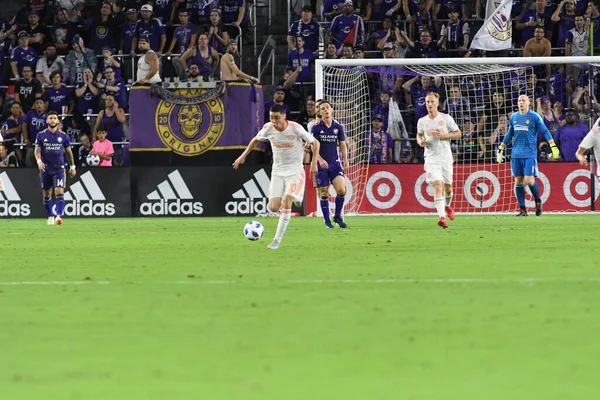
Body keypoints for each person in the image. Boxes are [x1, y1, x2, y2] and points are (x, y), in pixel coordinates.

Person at [232, 104, 322, 250]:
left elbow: (315, 143)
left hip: (294, 172)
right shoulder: (268, 128)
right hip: (278, 171)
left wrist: (313, 163)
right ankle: (292, 200)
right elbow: (255, 140)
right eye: (271, 118)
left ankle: (277, 240)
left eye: (277, 118)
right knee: (273, 208)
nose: (274, 121)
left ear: (284, 116)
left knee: (286, 202)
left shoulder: (295, 128)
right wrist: (242, 156)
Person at [496, 95, 561, 217]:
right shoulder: (514, 117)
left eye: (523, 100)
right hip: (516, 154)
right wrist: (501, 148)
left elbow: (545, 131)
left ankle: (537, 201)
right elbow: (510, 134)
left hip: (529, 153)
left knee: (529, 180)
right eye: (519, 100)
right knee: (518, 181)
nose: (521, 102)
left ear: (529, 103)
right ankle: (522, 209)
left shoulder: (534, 116)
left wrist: (552, 146)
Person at [416, 92, 462, 229]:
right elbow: (419, 135)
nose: (429, 104)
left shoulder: (446, 118)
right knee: (437, 185)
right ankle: (442, 217)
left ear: (437, 103)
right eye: (427, 102)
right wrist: (420, 142)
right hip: (431, 158)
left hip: (445, 157)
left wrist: (444, 135)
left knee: (448, 188)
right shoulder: (422, 121)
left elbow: (458, 134)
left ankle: (447, 206)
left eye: (431, 102)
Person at [311, 100, 349, 228]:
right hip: (321, 164)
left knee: (342, 190)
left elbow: (343, 145)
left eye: (327, 108)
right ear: (320, 112)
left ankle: (337, 216)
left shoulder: (338, 128)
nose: (326, 110)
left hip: (335, 163)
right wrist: (320, 160)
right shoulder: (316, 128)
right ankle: (327, 221)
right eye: (323, 109)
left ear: (331, 110)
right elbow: (313, 146)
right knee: (323, 191)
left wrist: (346, 160)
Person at [34, 111, 76, 225]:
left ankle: (59, 216)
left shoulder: (63, 136)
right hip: (45, 168)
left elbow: (69, 152)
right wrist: (39, 161)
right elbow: (37, 150)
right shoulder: (41, 135)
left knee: (59, 190)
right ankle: (50, 216)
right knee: (47, 194)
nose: (52, 120)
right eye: (50, 118)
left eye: (54, 118)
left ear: (58, 121)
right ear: (47, 121)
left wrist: (72, 166)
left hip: (59, 168)